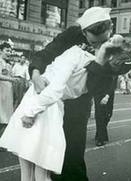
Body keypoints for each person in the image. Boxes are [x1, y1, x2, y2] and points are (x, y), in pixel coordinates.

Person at [0, 36, 131, 181]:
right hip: (44, 104)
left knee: (33, 169)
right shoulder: (87, 62)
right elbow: (56, 89)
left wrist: (31, 112)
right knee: (37, 168)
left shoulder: (82, 58)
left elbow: (56, 89)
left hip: (43, 104)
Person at [27, 7, 119, 181]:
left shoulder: (115, 45)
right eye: (93, 43)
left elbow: (104, 81)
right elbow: (47, 52)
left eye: (102, 41)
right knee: (50, 148)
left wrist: (104, 85)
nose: (98, 46)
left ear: (111, 29)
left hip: (81, 99)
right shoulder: (71, 35)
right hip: (56, 97)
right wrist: (36, 73)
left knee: (74, 150)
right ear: (84, 32)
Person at [0, 42, 18, 136]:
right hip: (1, 92)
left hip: (7, 93)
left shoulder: (8, 64)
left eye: (10, 51)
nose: (9, 53)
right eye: (7, 50)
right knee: (2, 116)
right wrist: (11, 79)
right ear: (0, 51)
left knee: (6, 118)